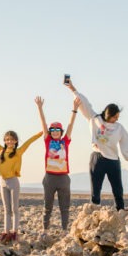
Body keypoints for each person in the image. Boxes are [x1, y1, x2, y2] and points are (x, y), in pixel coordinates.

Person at [65, 77, 128, 209]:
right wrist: (72, 88)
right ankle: (94, 214)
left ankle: (120, 214)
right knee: (96, 190)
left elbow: (126, 143)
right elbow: (85, 104)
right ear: (107, 114)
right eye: (114, 117)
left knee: (118, 190)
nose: (116, 119)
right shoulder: (95, 119)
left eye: (118, 117)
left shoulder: (119, 127)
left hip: (113, 161)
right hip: (97, 158)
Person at [0, 118, 41, 242]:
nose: (9, 141)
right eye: (7, 139)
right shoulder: (1, 151)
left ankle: (14, 232)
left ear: (16, 141)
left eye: (12, 139)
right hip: (3, 182)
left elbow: (29, 141)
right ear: (5, 141)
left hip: (13, 182)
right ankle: (6, 232)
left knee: (14, 208)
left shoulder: (18, 152)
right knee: (6, 209)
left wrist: (41, 133)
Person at [35, 95, 79, 233]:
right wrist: (40, 108)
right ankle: (45, 230)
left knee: (64, 207)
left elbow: (71, 125)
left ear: (61, 132)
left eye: (57, 130)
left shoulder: (65, 141)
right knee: (47, 206)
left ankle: (64, 230)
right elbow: (43, 122)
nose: (54, 132)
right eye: (52, 130)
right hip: (49, 178)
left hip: (63, 178)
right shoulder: (48, 140)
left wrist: (75, 109)